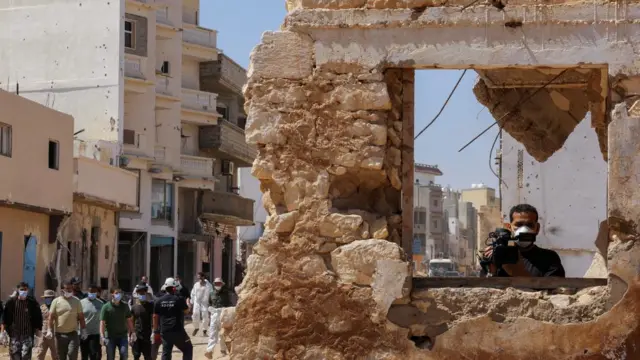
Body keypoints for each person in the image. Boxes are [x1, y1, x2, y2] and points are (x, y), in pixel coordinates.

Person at [483, 204, 566, 277]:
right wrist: (491, 270)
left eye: (529, 225)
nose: (524, 229)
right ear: (509, 227)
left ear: (537, 228)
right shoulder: (499, 255)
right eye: (518, 225)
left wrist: (519, 273)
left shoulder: (549, 258)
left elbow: (554, 291)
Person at [153, 278, 192, 360]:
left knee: (166, 352)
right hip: (178, 330)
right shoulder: (179, 299)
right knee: (188, 348)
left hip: (165, 331)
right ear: (174, 288)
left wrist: (156, 331)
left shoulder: (159, 301)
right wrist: (188, 305)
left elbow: (155, 317)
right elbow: (186, 311)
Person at [49, 280, 88, 360]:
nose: (69, 291)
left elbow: (81, 317)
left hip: (73, 334)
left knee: (72, 355)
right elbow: (51, 317)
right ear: (62, 290)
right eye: (67, 289)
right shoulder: (56, 301)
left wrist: (83, 330)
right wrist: (49, 330)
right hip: (59, 334)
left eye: (71, 289)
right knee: (61, 356)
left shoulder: (76, 301)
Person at [3, 282, 43, 360]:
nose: (23, 291)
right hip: (15, 335)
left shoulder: (32, 303)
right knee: (15, 356)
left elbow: (38, 316)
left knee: (26, 356)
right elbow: (5, 317)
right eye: (21, 289)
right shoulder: (11, 302)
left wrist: (38, 330)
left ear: (27, 290)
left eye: (25, 289)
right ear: (18, 290)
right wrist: (3, 332)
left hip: (27, 334)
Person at [100, 288, 135, 360]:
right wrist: (102, 336)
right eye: (116, 293)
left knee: (124, 353)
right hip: (110, 336)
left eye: (120, 293)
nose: (118, 295)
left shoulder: (125, 306)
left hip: (122, 336)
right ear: (112, 294)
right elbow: (102, 322)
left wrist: (133, 332)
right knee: (110, 356)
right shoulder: (106, 307)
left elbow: (129, 320)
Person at [204, 278, 232, 358]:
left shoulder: (226, 294)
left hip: (223, 314)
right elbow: (209, 303)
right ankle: (209, 351)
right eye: (216, 284)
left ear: (222, 284)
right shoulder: (211, 293)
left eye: (219, 283)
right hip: (214, 314)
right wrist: (210, 309)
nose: (217, 285)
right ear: (214, 284)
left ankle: (223, 350)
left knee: (222, 333)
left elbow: (229, 304)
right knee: (212, 333)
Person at [130, 283, 160, 360]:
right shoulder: (134, 307)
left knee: (148, 356)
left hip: (147, 334)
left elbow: (154, 318)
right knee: (136, 355)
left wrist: (154, 332)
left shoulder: (150, 305)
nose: (142, 294)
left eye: (143, 292)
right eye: (140, 293)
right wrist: (130, 334)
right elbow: (131, 320)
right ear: (137, 293)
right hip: (136, 334)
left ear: (146, 293)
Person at [80, 285, 104, 360]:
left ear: (97, 292)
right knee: (84, 355)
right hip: (84, 333)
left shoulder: (100, 303)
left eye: (94, 292)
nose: (92, 293)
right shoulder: (81, 303)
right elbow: (78, 317)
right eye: (91, 292)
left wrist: (102, 333)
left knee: (94, 355)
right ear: (88, 291)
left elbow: (102, 319)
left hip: (95, 333)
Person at [36, 289, 58, 360]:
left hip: (54, 334)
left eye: (49, 297)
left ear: (53, 298)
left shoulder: (57, 307)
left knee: (55, 354)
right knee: (40, 354)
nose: (47, 299)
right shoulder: (42, 307)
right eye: (46, 298)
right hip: (43, 334)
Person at [189, 272, 212, 337]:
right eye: (198, 278)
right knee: (195, 314)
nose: (199, 279)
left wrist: (211, 303)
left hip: (205, 302)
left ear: (203, 277)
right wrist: (192, 302)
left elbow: (211, 294)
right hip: (197, 302)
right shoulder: (196, 285)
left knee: (205, 316)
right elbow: (193, 293)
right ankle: (196, 328)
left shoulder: (209, 285)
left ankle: (204, 330)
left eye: (200, 277)